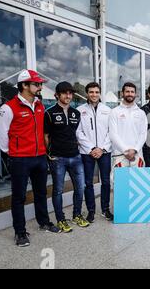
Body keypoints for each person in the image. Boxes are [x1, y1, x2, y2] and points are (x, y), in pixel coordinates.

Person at [0, 70, 60, 247]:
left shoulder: (39, 105)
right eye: (36, 84)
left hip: (39, 157)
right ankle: (20, 232)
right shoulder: (8, 107)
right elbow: (1, 135)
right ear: (24, 85)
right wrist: (12, 153)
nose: (40, 87)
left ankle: (44, 222)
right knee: (19, 197)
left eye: (40, 84)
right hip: (20, 159)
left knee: (41, 192)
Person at [45, 81, 89, 233]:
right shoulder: (49, 113)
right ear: (57, 95)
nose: (68, 95)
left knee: (80, 187)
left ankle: (77, 215)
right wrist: (49, 154)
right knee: (58, 190)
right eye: (64, 93)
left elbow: (75, 134)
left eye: (70, 93)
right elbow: (45, 136)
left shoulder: (76, 113)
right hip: (58, 158)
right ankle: (61, 219)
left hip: (75, 157)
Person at [76, 82, 113, 223]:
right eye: (91, 92)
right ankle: (91, 211)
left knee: (105, 181)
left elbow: (111, 132)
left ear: (100, 93)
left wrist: (102, 148)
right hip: (87, 152)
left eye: (96, 92)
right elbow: (78, 132)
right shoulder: (80, 110)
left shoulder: (108, 110)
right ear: (87, 93)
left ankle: (105, 209)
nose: (94, 95)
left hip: (105, 151)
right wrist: (92, 148)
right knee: (88, 182)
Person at [109, 82, 148, 169]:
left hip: (137, 155)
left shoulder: (141, 113)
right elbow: (113, 134)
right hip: (120, 156)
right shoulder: (114, 112)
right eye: (127, 91)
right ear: (122, 93)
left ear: (135, 94)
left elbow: (143, 134)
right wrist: (125, 150)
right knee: (119, 182)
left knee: (137, 182)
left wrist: (135, 150)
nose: (130, 94)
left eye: (132, 92)